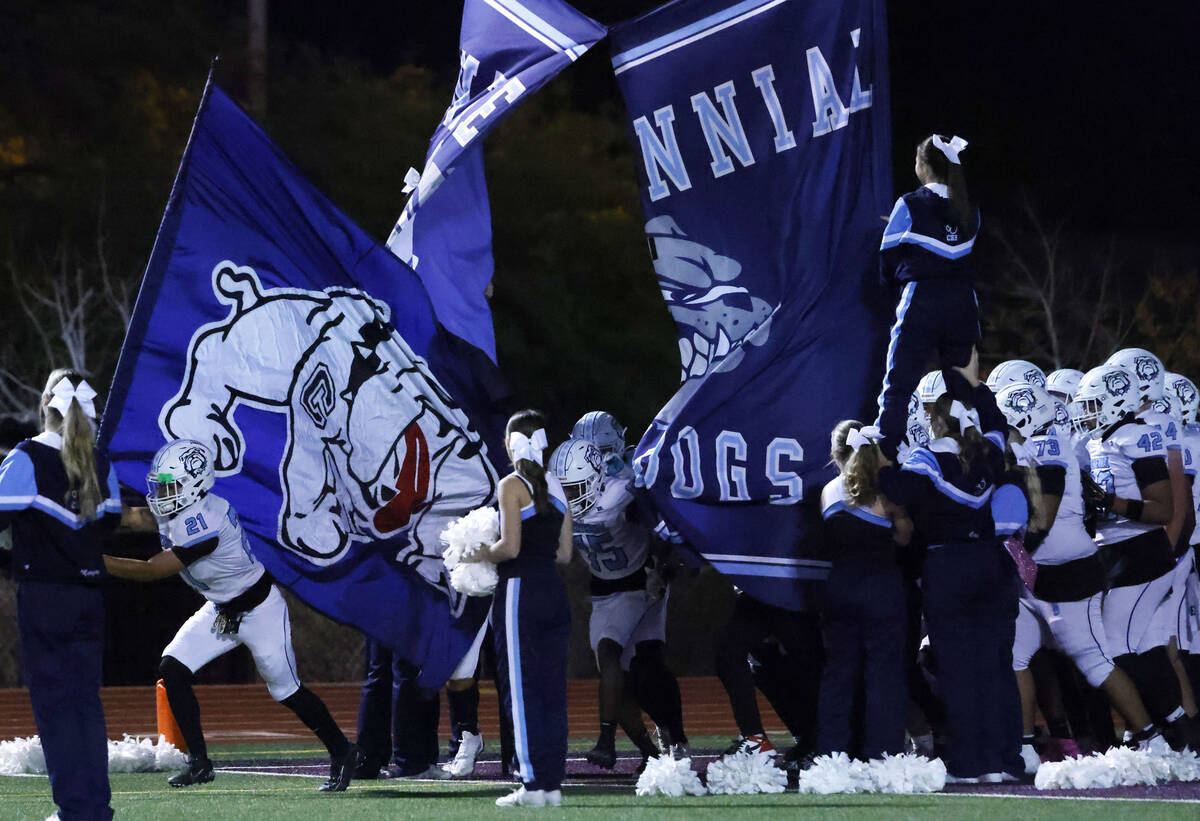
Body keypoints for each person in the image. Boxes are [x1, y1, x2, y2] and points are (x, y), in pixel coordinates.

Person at [102, 439, 363, 790]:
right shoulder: (186, 508)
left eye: (171, 485)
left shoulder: (203, 522)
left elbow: (151, 570)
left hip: (259, 610)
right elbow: (142, 517)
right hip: (221, 609)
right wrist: (97, 518)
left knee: (286, 691)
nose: (163, 492)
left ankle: (342, 750)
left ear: (195, 483)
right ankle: (199, 763)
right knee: (173, 668)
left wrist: (94, 559)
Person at [994, 381, 1165, 768]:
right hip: (1034, 575)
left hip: (1065, 573)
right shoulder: (1030, 446)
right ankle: (1024, 750)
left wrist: (1015, 553)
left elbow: (1043, 517)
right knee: (1015, 655)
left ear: (1022, 415)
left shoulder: (1046, 446)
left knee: (1094, 660)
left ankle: (1152, 739)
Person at [878, 351, 1023, 782]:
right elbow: (997, 424)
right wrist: (975, 387)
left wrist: (885, 444)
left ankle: (969, 763)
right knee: (997, 665)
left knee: (958, 670)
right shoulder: (990, 452)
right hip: (995, 564)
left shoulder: (928, 458)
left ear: (934, 415)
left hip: (948, 566)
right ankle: (1004, 761)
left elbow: (895, 488)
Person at [0, 370, 121, 821]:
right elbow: (109, 522)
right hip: (89, 598)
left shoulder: (27, 457)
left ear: (45, 403)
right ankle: (94, 810)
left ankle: (74, 811)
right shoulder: (100, 460)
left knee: (55, 708)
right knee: (85, 704)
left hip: (45, 598)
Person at [1071, 364, 1200, 749]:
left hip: (1142, 553)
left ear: (1118, 401)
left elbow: (1163, 510)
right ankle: (1174, 733)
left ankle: (1165, 731)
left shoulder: (1137, 438)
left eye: (1094, 405)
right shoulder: (1099, 442)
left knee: (1111, 646)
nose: (1086, 413)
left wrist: (1111, 501)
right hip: (1114, 553)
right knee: (1141, 648)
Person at [550, 436, 679, 770]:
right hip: (603, 591)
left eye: (576, 488)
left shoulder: (621, 494)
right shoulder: (563, 504)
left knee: (629, 666)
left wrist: (661, 566)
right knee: (614, 679)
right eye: (564, 489)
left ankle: (616, 738)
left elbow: (663, 521)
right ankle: (649, 754)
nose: (569, 497)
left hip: (639, 585)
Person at [476, 411, 573, 808]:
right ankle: (551, 783)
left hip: (522, 591)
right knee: (552, 689)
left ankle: (532, 784)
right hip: (554, 589)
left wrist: (476, 553)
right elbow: (566, 554)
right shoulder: (556, 485)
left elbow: (510, 548)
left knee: (521, 688)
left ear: (511, 443)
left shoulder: (511, 486)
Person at [873, 134, 981, 462]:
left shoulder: (909, 203)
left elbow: (886, 261)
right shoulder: (971, 210)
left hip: (921, 298)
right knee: (966, 385)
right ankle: (982, 450)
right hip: (963, 301)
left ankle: (884, 455)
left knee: (899, 381)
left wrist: (889, 298)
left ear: (922, 166)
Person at [817, 421, 913, 760]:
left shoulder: (828, 491)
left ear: (836, 454)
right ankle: (882, 755)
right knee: (883, 674)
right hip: (881, 589)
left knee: (838, 675)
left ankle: (831, 755)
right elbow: (904, 538)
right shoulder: (885, 491)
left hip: (840, 588)